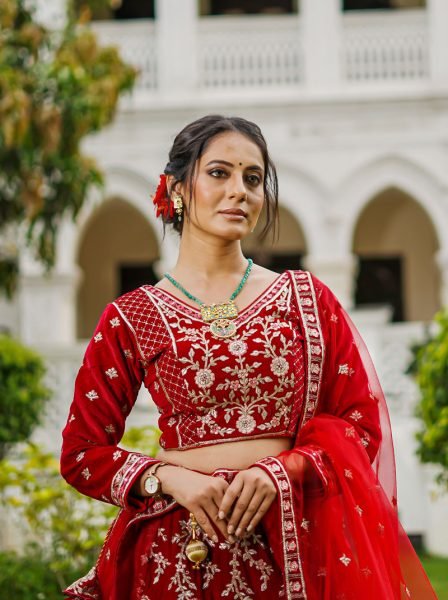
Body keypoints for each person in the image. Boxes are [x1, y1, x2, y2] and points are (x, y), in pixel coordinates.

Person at [61, 115, 437, 599]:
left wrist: (280, 471)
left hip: (297, 549)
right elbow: (82, 454)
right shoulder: (134, 315)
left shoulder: (304, 299)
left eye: (253, 178)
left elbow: (360, 425)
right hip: (181, 554)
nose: (240, 190)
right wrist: (170, 479)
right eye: (219, 173)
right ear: (177, 189)